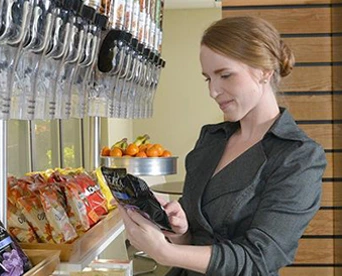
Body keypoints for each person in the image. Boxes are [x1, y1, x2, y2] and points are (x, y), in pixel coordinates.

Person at [118, 16, 327, 276]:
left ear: (264, 72)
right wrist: (177, 229)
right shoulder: (212, 138)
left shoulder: (299, 156)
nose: (213, 91)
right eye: (208, 78)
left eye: (225, 75)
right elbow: (195, 237)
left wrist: (164, 252)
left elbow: (260, 258)